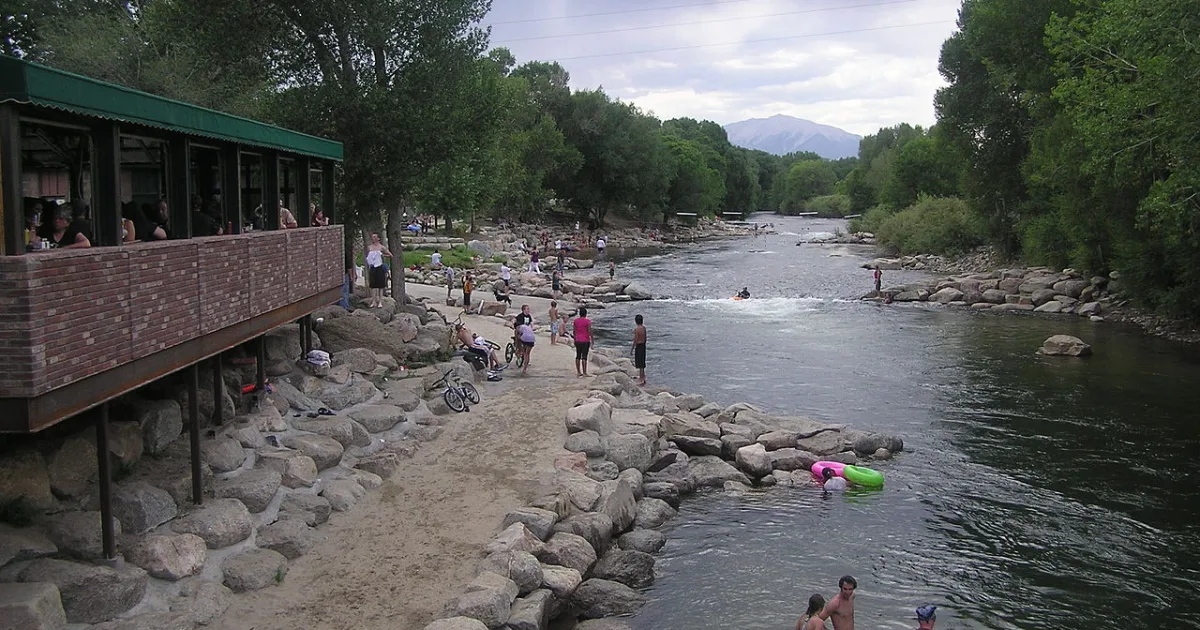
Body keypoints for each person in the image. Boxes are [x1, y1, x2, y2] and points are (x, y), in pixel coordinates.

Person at [365, 233, 391, 308]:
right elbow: (368, 256)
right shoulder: (369, 247)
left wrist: (382, 255)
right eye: (372, 237)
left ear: (378, 238)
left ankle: (380, 301)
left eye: (375, 237)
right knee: (373, 285)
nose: (373, 238)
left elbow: (390, 255)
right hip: (372, 267)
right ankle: (373, 301)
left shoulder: (381, 247)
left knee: (380, 285)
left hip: (379, 267)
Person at [574, 307, 593, 377]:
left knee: (578, 356)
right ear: (585, 314)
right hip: (585, 340)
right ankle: (584, 372)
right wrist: (592, 340)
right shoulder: (588, 321)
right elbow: (589, 331)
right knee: (584, 357)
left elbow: (574, 331)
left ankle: (578, 371)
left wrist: (574, 338)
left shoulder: (575, 321)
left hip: (578, 340)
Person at [632, 314, 647, 386]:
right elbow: (645, 337)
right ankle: (643, 376)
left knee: (639, 363)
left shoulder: (637, 329)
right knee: (642, 362)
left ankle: (641, 379)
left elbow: (635, 339)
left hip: (639, 345)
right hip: (643, 345)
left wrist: (632, 349)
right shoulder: (644, 328)